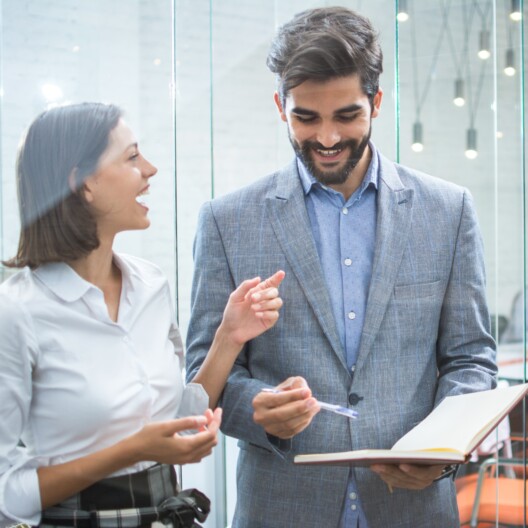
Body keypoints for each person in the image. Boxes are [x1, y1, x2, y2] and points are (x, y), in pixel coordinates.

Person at [185, 6, 497, 528]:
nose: (327, 138)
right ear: (280, 108)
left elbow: (471, 359)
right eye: (306, 117)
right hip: (282, 509)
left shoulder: (448, 211)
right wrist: (259, 406)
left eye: (347, 115)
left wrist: (441, 453)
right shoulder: (226, 221)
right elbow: (204, 375)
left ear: (376, 102)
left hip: (413, 509)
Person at [0, 102, 284, 527]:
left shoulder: (150, 285)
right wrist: (135, 450)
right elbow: (8, 494)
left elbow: (176, 422)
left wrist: (230, 336)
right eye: (132, 157)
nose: (150, 169)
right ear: (83, 184)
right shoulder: (17, 312)